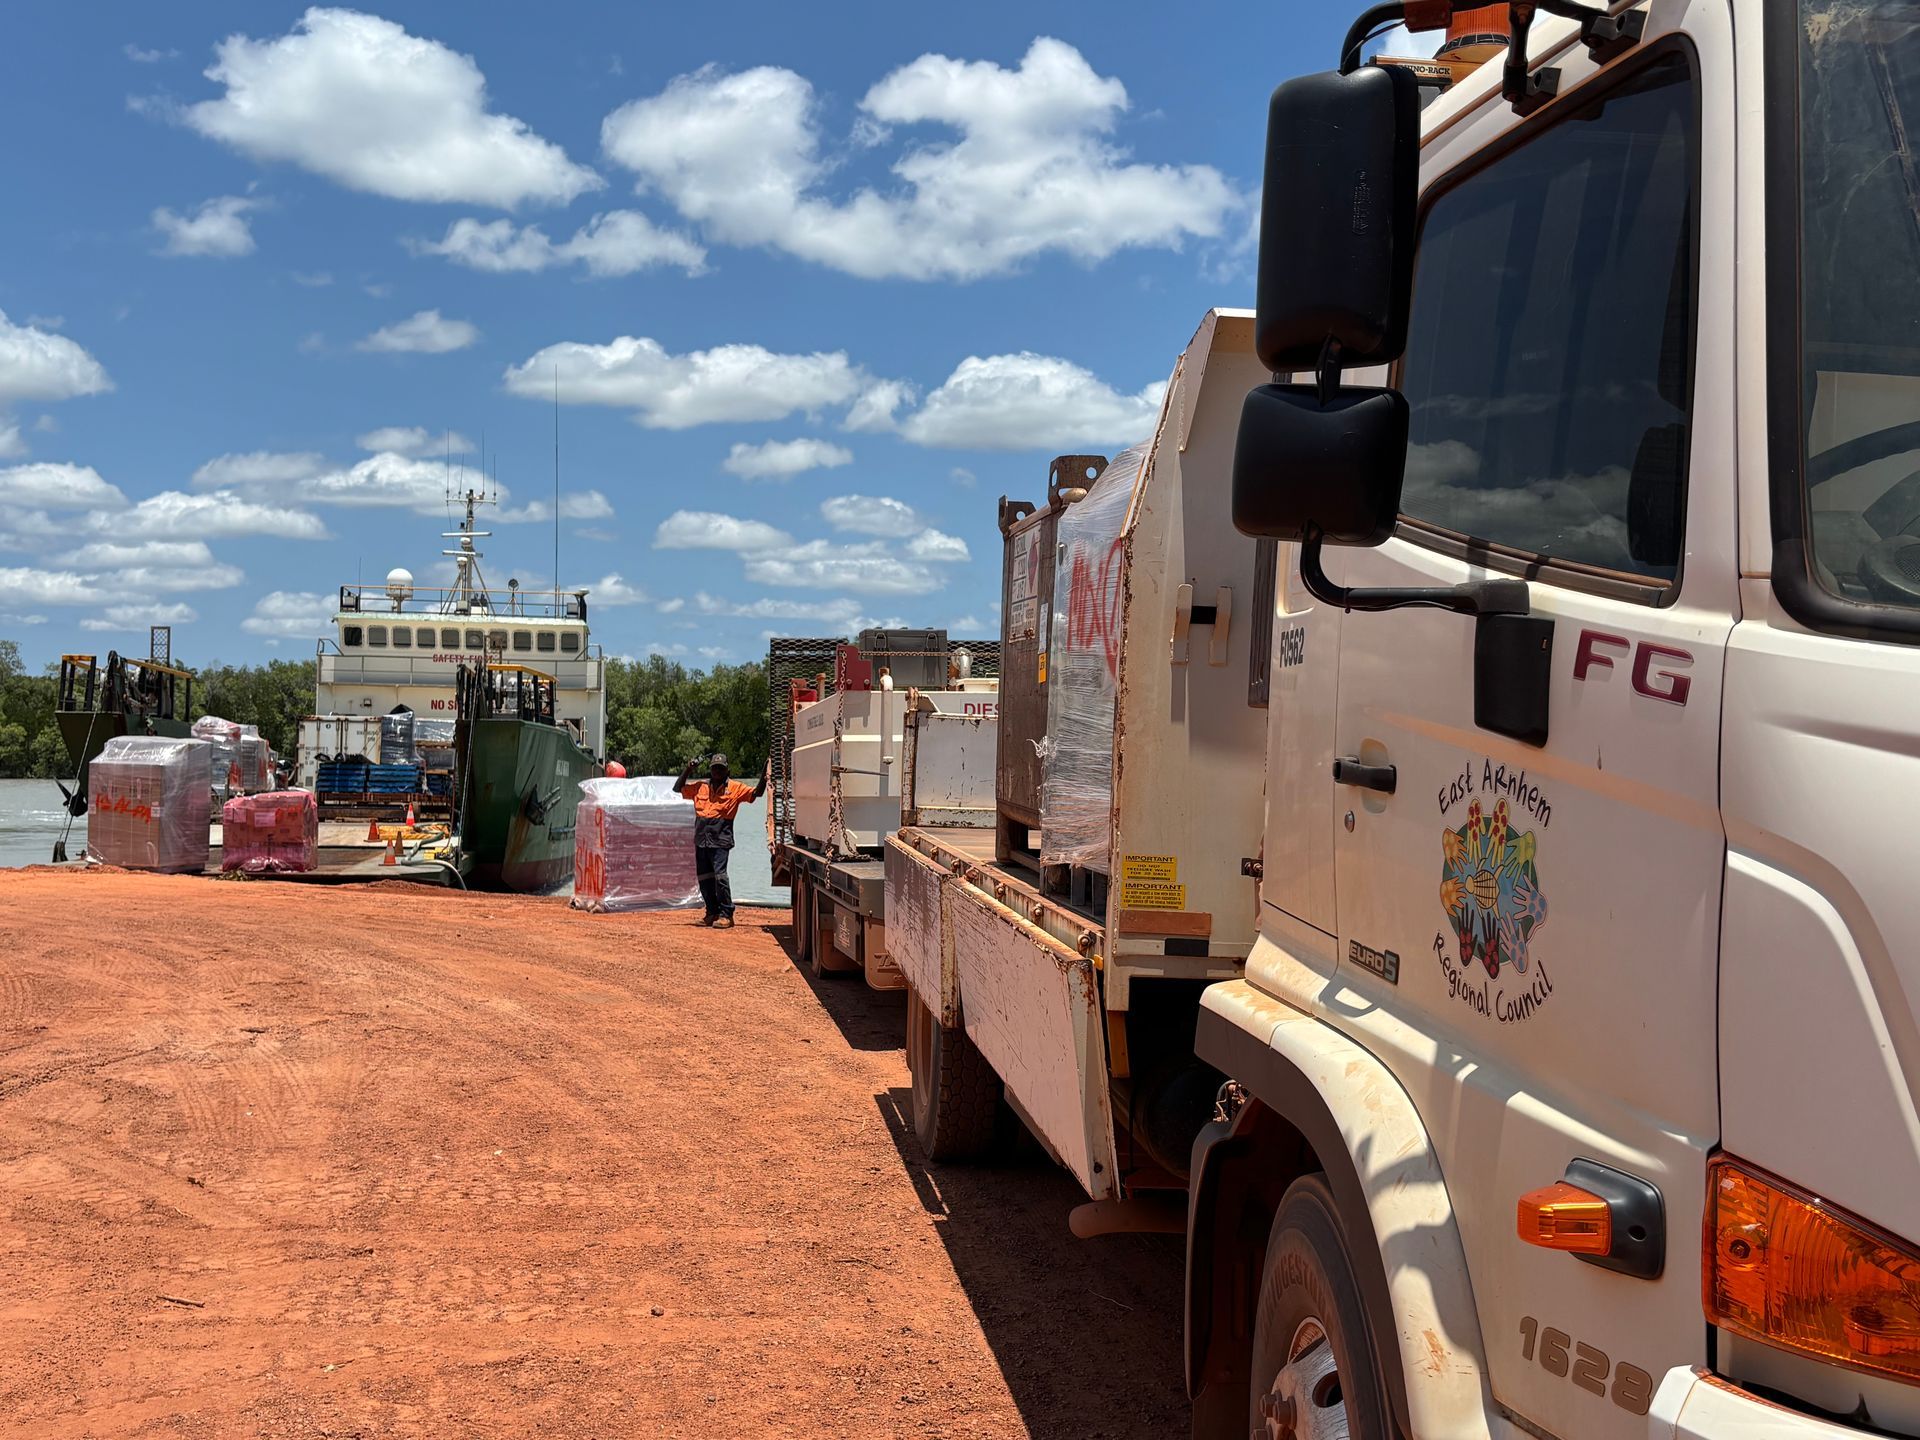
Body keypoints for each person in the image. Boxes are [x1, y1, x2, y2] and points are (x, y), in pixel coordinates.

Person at [674, 752, 768, 928]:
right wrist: (688, 769)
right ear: (710, 770)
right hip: (701, 839)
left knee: (720, 877)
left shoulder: (735, 788)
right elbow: (677, 788)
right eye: (714, 768)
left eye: (721, 768)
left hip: (720, 839)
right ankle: (711, 912)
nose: (717, 771)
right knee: (704, 878)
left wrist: (765, 773)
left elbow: (757, 793)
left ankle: (726, 914)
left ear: (727, 770)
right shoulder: (700, 787)